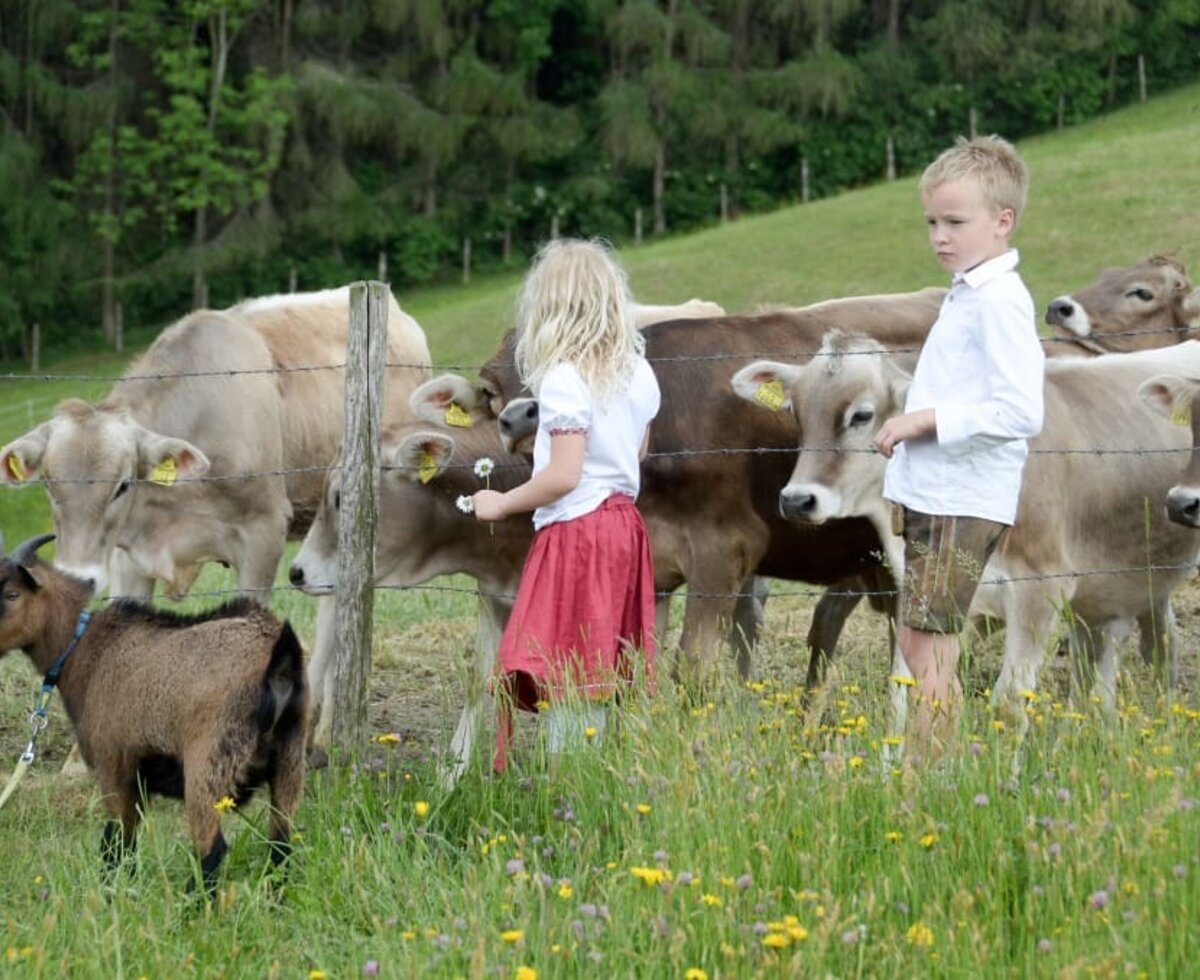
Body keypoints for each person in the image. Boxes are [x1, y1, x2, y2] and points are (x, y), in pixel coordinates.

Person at [873, 134, 1045, 764]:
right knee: (923, 644)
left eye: (955, 222)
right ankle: (933, 772)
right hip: (935, 493)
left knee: (932, 647)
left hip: (961, 499)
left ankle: (930, 781)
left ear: (1003, 221)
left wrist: (925, 420)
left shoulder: (999, 300)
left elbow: (1022, 410)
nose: (939, 236)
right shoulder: (968, 290)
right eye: (931, 223)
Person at [472, 237, 661, 772]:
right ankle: (593, 782)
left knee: (566, 665)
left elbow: (563, 475)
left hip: (577, 532)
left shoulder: (563, 379)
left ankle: (568, 789)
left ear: (548, 309)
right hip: (625, 527)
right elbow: (637, 452)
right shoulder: (638, 373)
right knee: (598, 664)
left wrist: (500, 503)